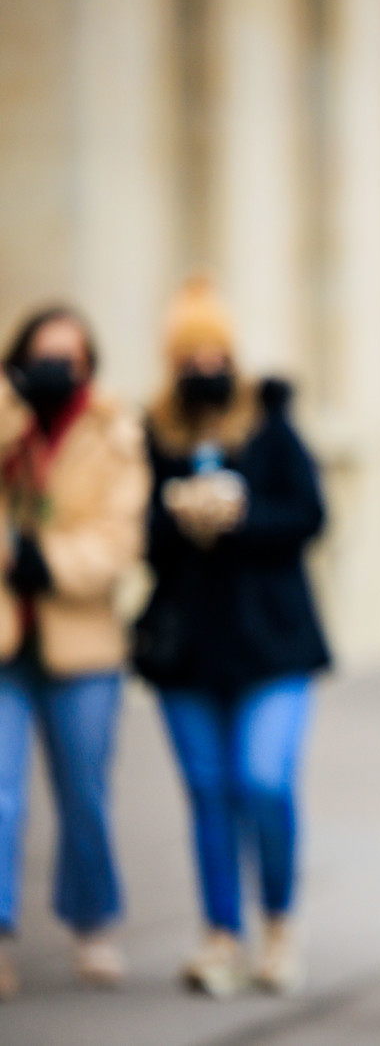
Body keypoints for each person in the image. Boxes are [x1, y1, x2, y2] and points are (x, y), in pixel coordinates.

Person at [133, 276, 331, 997]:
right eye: (190, 355)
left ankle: (278, 923)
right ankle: (220, 934)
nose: (204, 366)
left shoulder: (269, 421)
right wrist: (177, 515)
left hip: (273, 642)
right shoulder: (153, 431)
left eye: (215, 352)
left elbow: (310, 515)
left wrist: (243, 515)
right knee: (209, 791)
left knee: (263, 779)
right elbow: (137, 536)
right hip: (186, 647)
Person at [0, 305, 149, 999]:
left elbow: (120, 538)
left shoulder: (115, 433)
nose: (55, 369)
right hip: (7, 640)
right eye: (41, 356)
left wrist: (48, 562)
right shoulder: (11, 421)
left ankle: (92, 925)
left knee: (84, 795)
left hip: (83, 641)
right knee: (1, 795)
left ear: (89, 365)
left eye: (69, 357)